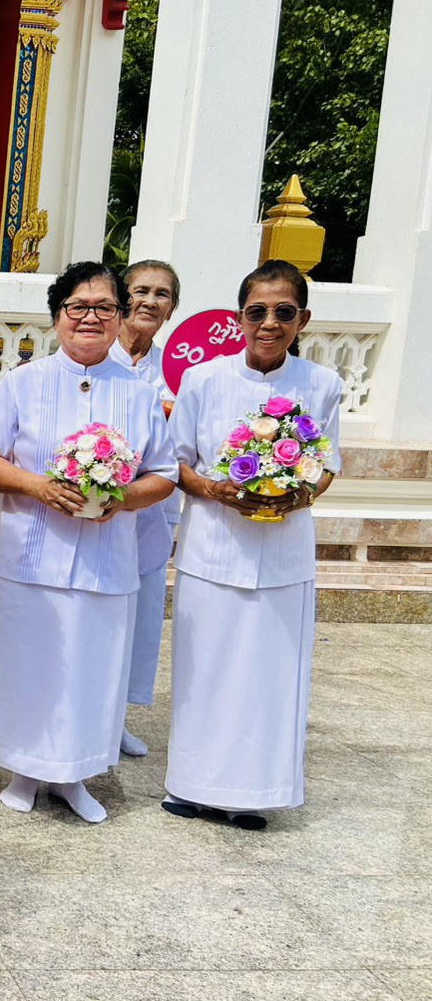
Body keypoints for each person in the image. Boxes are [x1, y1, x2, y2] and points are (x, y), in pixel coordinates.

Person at [0, 262, 177, 823]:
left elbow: (165, 473)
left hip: (105, 558)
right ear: (58, 316)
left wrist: (123, 498)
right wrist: (37, 486)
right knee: (27, 662)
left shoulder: (137, 394)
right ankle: (24, 770)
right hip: (29, 553)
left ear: (119, 317)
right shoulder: (22, 382)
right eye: (77, 307)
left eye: (104, 307)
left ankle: (76, 774)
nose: (90, 317)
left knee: (90, 666)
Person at [163, 260, 340, 830]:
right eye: (258, 311)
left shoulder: (323, 385)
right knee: (204, 671)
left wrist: (297, 495)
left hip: (284, 555)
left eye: (283, 312)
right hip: (213, 547)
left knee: (270, 675)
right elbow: (176, 461)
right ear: (239, 317)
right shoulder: (204, 380)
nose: (269, 323)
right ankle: (190, 786)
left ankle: (252, 793)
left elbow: (327, 465)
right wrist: (215, 490)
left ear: (302, 320)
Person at [111, 259, 185, 756]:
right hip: (96, 508)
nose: (149, 302)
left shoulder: (180, 372)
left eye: (162, 294)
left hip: (153, 508)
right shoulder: (92, 356)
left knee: (139, 616)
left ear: (173, 309)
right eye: (140, 290)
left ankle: (116, 716)